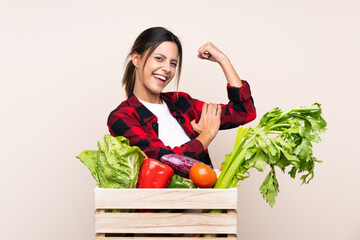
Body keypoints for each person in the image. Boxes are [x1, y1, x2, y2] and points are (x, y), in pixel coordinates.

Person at [107, 27, 256, 166]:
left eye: (173, 63)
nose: (167, 69)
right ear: (136, 59)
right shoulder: (122, 117)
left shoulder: (182, 102)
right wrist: (207, 135)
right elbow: (167, 159)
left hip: (205, 195)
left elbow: (243, 112)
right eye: (159, 58)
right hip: (162, 196)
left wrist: (223, 60)